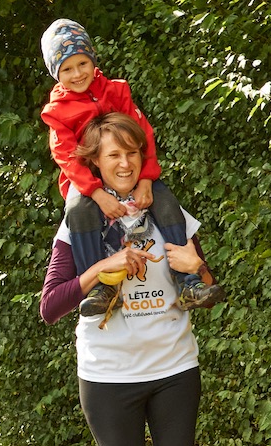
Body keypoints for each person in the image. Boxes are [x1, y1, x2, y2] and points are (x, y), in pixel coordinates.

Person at [39, 113, 216, 446]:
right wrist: (104, 266)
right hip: (109, 375)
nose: (124, 163)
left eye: (132, 153)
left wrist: (198, 267)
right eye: (112, 155)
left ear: (144, 158)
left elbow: (205, 287)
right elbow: (51, 305)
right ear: (94, 164)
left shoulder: (167, 213)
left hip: (174, 368)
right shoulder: (80, 225)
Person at [40, 18, 225, 316]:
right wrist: (96, 192)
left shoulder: (115, 91)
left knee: (165, 200)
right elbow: (66, 157)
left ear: (93, 59)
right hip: (84, 181)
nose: (77, 74)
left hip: (139, 182)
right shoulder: (57, 111)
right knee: (78, 209)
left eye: (82, 63)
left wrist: (147, 179)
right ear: (56, 74)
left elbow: (143, 135)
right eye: (67, 69)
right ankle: (102, 288)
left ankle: (188, 283)